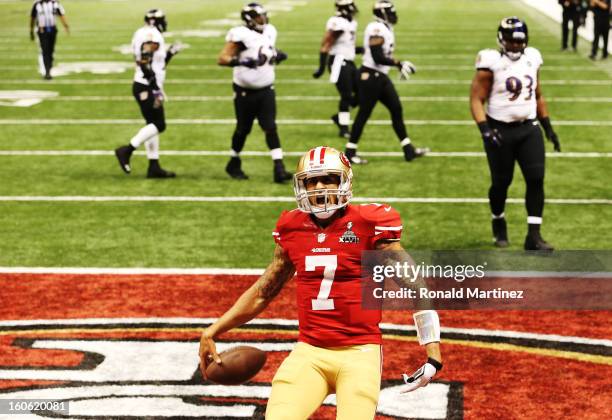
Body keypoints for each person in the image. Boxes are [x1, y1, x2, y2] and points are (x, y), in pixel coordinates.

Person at [199, 146, 443, 420]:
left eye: (328, 178)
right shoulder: (291, 227)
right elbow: (262, 293)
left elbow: (415, 286)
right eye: (310, 180)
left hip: (359, 352)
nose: (318, 187)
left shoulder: (369, 223)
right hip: (310, 351)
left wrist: (432, 353)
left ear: (345, 181)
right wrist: (212, 330)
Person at [470, 17, 561, 251]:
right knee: (501, 183)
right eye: (511, 41)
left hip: (529, 128)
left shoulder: (533, 58)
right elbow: (476, 99)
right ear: (501, 40)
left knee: (536, 178)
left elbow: (538, 94)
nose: (516, 46)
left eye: (520, 41)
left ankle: (534, 235)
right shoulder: (490, 61)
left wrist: (548, 127)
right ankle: (498, 220)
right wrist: (485, 130)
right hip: (500, 129)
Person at [344, 0, 428, 165]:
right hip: (371, 77)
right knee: (364, 114)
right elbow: (377, 57)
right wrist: (399, 63)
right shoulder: (377, 28)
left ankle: (408, 150)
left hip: (380, 77)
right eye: (389, 12)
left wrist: (396, 65)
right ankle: (349, 152)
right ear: (381, 14)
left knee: (396, 109)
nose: (393, 15)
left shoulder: (385, 28)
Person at [217, 2, 292, 183]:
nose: (263, 19)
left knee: (270, 127)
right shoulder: (241, 34)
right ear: (250, 19)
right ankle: (233, 162)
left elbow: (267, 52)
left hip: (266, 88)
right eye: (259, 16)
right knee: (243, 129)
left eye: (264, 15)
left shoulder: (270, 31)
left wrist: (277, 56)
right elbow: (222, 58)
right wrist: (242, 62)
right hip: (245, 91)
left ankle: (279, 167)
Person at [114, 9, 181, 179]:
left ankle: (154, 166)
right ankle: (127, 150)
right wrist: (154, 86)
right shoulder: (153, 35)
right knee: (159, 124)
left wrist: (170, 54)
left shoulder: (141, 32)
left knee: (152, 125)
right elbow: (145, 59)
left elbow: (154, 62)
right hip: (147, 86)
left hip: (144, 84)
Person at [312, 0, 362, 139]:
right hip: (338, 62)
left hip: (349, 61)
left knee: (362, 93)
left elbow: (347, 45)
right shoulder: (337, 22)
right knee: (346, 95)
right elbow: (326, 44)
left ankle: (339, 117)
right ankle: (344, 128)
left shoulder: (351, 22)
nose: (354, 9)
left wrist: (361, 49)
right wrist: (321, 68)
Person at [30, 0, 70, 80]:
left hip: (52, 30)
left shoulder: (55, 3)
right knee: (45, 50)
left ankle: (49, 67)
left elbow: (61, 14)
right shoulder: (37, 4)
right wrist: (31, 30)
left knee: (51, 50)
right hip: (42, 31)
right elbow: (33, 17)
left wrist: (65, 25)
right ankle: (47, 72)